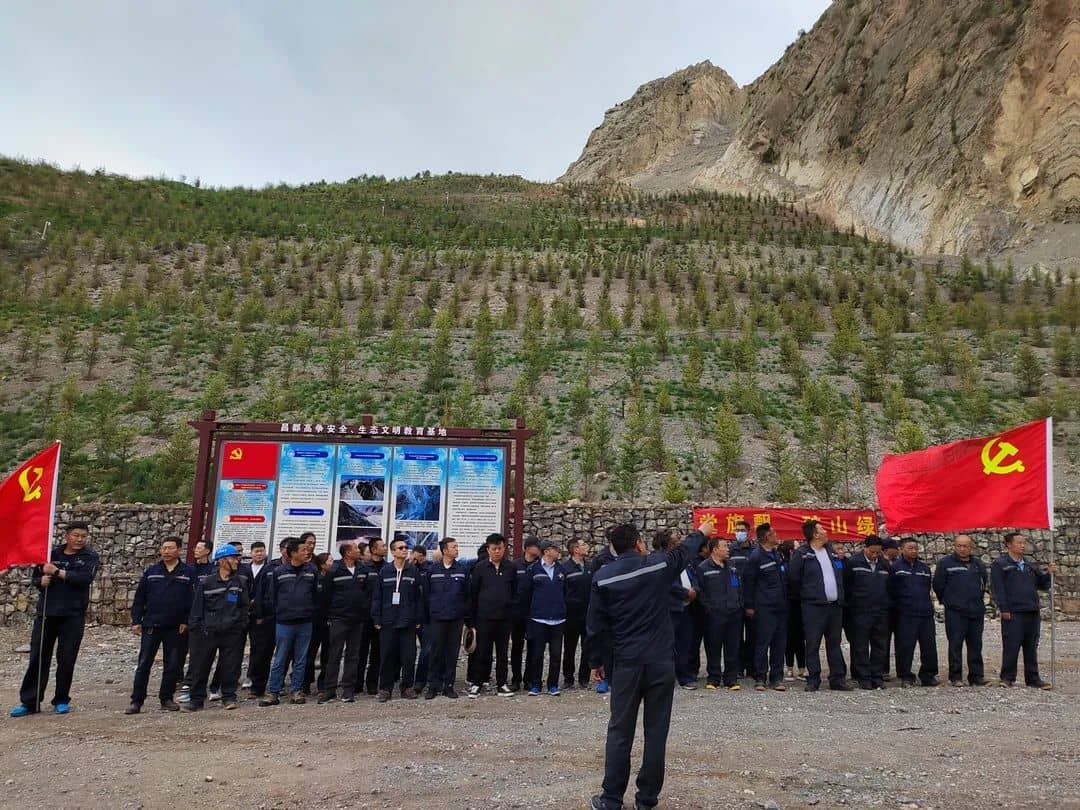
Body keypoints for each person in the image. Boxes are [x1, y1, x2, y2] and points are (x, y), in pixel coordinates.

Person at [586, 522, 711, 810]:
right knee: (656, 732)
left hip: (626, 663)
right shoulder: (656, 566)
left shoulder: (603, 577)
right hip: (660, 662)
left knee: (620, 731)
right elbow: (684, 552)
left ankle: (611, 799)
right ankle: (646, 799)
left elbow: (595, 625)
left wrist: (596, 661)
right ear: (639, 544)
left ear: (614, 548)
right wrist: (701, 532)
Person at [11, 522, 100, 718]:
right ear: (67, 535)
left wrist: (58, 572)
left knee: (66, 659)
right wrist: (40, 581)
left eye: (83, 536)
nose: (79, 539)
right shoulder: (50, 554)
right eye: (76, 535)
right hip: (47, 613)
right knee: (38, 657)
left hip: (72, 615)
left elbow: (84, 579)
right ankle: (30, 701)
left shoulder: (90, 556)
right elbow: (36, 578)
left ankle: (61, 699)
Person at [126, 536, 194, 714]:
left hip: (176, 627)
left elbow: (192, 600)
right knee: (144, 664)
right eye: (164, 548)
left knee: (172, 664)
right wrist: (136, 620)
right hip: (152, 624)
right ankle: (136, 701)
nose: (166, 551)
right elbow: (140, 597)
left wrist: (186, 621)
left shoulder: (188, 573)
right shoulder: (152, 571)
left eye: (170, 548)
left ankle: (166, 698)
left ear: (179, 550)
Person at [182, 544, 249, 711]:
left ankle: (229, 697)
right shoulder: (206, 583)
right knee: (200, 666)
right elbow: (197, 609)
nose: (237, 561)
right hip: (208, 632)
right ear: (223, 561)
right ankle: (196, 699)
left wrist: (240, 625)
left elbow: (244, 606)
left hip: (232, 632)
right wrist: (198, 630)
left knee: (230, 666)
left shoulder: (239, 582)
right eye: (234, 558)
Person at [788, 520, 850, 692]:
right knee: (813, 643)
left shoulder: (830, 551)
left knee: (834, 643)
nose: (825, 531)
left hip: (834, 606)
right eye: (822, 529)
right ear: (815, 534)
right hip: (813, 607)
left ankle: (837, 679)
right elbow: (794, 579)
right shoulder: (802, 554)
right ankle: (813, 678)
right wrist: (808, 595)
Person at [990, 532, 1057, 689]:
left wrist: (1049, 574)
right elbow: (998, 588)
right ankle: (1007, 677)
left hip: (1031, 610)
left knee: (1031, 646)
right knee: (1011, 645)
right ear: (1009, 545)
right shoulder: (1000, 564)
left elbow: (1042, 584)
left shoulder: (1029, 565)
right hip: (1013, 611)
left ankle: (1033, 678)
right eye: (1019, 542)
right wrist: (1003, 608)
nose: (1023, 545)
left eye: (1024, 542)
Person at [261, 536, 318, 706]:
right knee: (280, 658)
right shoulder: (279, 572)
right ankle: (273, 692)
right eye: (303, 550)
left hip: (305, 621)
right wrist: (280, 612)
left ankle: (296, 691)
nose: (307, 552)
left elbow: (315, 594)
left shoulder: (311, 570)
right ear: (293, 553)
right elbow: (272, 596)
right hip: (284, 622)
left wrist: (310, 610)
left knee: (301, 658)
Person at [933, 534, 989, 687]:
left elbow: (983, 582)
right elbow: (938, 585)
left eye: (965, 546)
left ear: (971, 547)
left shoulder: (978, 564)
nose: (962, 549)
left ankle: (976, 676)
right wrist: (949, 601)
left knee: (976, 644)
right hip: (955, 611)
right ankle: (956, 676)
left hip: (976, 610)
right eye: (959, 546)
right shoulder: (945, 563)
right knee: (955, 644)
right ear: (954, 546)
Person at [466, 533, 518, 698]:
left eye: (500, 548)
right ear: (488, 549)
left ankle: (502, 684)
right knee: (482, 652)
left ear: (504, 549)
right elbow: (473, 594)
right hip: (484, 618)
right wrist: (471, 620)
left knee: (502, 653)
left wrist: (510, 611)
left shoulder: (511, 567)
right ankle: (477, 683)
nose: (497, 551)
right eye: (494, 548)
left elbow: (515, 591)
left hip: (504, 619)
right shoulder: (480, 568)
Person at [372, 538, 423, 701]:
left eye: (406, 547)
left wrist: (418, 618)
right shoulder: (385, 571)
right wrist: (377, 618)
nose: (404, 550)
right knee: (387, 656)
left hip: (407, 621)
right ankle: (385, 689)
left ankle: (407, 687)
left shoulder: (413, 571)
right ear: (393, 552)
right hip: (388, 621)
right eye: (400, 548)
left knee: (408, 657)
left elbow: (418, 597)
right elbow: (377, 596)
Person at [319, 541, 370, 702]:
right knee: (334, 654)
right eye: (355, 549)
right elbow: (326, 596)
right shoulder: (334, 570)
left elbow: (367, 592)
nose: (358, 551)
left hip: (357, 619)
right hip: (339, 619)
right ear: (347, 553)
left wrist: (363, 609)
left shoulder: (363, 569)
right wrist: (331, 615)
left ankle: (348, 690)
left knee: (353, 656)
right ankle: (329, 690)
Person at [422, 536, 470, 699]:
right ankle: (433, 686)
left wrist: (464, 614)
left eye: (457, 546)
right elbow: (426, 594)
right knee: (435, 652)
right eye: (453, 547)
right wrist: (428, 614)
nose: (457, 549)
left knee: (452, 653)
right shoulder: (433, 570)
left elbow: (467, 594)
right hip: (437, 618)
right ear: (445, 551)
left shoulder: (462, 569)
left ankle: (448, 685)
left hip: (456, 618)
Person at [742, 523, 788, 692]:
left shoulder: (777, 554)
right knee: (763, 642)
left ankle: (777, 678)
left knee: (779, 644)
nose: (777, 536)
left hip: (780, 606)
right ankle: (760, 677)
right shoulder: (755, 557)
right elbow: (748, 582)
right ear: (767, 537)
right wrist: (749, 605)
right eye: (774, 533)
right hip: (764, 607)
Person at [843, 534, 891, 690]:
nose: (874, 555)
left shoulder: (884, 565)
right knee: (860, 646)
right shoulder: (853, 563)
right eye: (872, 552)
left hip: (880, 612)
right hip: (860, 612)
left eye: (877, 552)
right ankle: (863, 677)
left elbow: (890, 587)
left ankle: (877, 676)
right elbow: (846, 586)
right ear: (865, 548)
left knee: (880, 645)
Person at [889, 538, 939, 687]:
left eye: (916, 548)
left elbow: (928, 588)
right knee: (905, 646)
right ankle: (905, 676)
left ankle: (928, 675)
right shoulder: (896, 568)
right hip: (905, 614)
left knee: (929, 646)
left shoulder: (924, 568)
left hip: (925, 613)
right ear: (901, 549)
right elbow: (891, 589)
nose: (914, 551)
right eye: (910, 548)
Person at [521, 539, 567, 696]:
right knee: (537, 654)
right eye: (555, 549)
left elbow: (566, 592)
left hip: (558, 619)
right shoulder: (533, 570)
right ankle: (535, 684)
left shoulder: (561, 570)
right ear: (546, 551)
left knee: (556, 655)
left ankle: (553, 684)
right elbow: (526, 594)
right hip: (538, 618)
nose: (558, 551)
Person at [696, 537, 743, 691]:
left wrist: (739, 604)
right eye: (724, 546)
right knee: (713, 647)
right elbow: (700, 591)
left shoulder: (732, 566)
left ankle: (731, 679)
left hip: (734, 613)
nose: (728, 549)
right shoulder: (704, 567)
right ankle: (714, 678)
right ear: (715, 549)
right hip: (714, 615)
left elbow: (739, 587)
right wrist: (709, 608)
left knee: (732, 647)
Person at [660, 529, 698, 690]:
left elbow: (694, 576)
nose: (679, 542)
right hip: (671, 609)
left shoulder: (685, 561)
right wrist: (685, 593)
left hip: (687, 608)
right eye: (676, 540)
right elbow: (668, 583)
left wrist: (695, 590)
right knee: (668, 645)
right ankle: (666, 677)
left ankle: (685, 676)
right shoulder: (663, 561)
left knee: (685, 643)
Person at [243, 541, 275, 698]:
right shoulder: (244, 569)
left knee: (259, 650)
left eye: (262, 551)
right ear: (251, 553)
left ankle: (257, 685)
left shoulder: (270, 569)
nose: (259, 554)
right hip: (241, 613)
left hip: (260, 615)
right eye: (256, 551)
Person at [560, 536, 593, 689]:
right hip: (571, 615)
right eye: (583, 544)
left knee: (587, 647)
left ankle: (584, 678)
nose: (587, 546)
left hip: (588, 613)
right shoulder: (565, 568)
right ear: (575, 550)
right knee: (569, 647)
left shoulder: (590, 566)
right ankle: (568, 678)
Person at [510, 536, 542, 691]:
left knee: (533, 647)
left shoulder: (541, 565)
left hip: (534, 612)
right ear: (528, 548)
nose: (539, 549)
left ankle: (529, 679)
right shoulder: (514, 565)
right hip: (517, 612)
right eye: (536, 546)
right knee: (517, 646)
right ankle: (516, 679)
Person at [357, 537, 387, 695]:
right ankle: (357, 683)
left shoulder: (388, 568)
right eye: (382, 546)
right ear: (374, 549)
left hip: (381, 616)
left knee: (377, 652)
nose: (385, 548)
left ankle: (372, 683)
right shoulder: (363, 568)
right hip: (364, 617)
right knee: (360, 651)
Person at [727, 519, 756, 677]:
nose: (739, 533)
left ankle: (751, 667)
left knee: (753, 635)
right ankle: (738, 668)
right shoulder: (730, 550)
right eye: (737, 530)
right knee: (736, 636)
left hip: (751, 599)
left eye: (742, 530)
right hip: (735, 599)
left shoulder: (755, 550)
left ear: (748, 532)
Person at [304, 551, 333, 697]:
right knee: (310, 653)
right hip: (314, 621)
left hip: (329, 621)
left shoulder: (332, 578)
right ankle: (306, 683)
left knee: (327, 654)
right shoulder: (314, 578)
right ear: (322, 564)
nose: (332, 563)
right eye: (330, 561)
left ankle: (323, 684)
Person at [779, 539, 805, 681]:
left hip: (800, 604)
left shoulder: (802, 565)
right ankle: (789, 667)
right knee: (789, 637)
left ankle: (802, 668)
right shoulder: (783, 566)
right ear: (791, 551)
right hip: (788, 604)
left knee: (800, 637)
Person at [880, 537, 901, 680]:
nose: (898, 551)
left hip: (899, 607)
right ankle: (883, 669)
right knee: (884, 640)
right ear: (887, 550)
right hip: (885, 607)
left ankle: (902, 670)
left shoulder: (899, 563)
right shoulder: (880, 563)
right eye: (896, 548)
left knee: (901, 640)